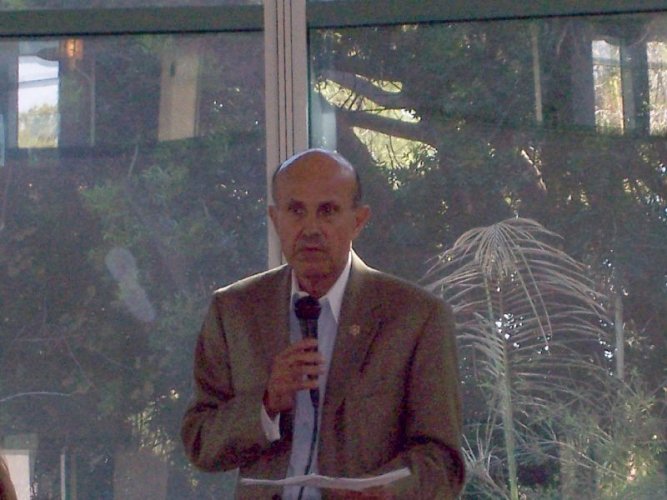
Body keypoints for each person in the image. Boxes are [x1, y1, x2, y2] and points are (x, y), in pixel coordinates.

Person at [181, 148, 464, 499]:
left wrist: (386, 491)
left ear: (358, 220)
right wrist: (266, 403)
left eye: (327, 211)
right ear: (275, 219)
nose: (311, 229)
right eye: (296, 211)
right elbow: (200, 441)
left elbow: (443, 462)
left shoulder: (416, 317)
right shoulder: (235, 310)